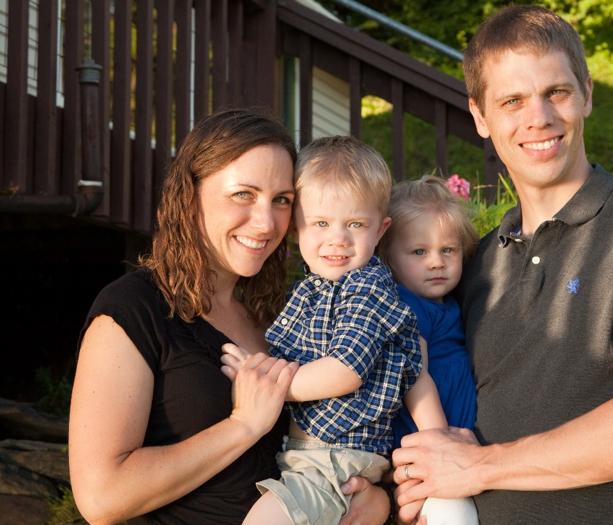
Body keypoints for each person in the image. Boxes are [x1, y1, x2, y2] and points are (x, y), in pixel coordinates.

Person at [392, 5, 613, 524]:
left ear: (586, 93)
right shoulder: (476, 264)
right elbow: (446, 415)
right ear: (480, 116)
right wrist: (424, 481)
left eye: (556, 93)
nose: (538, 118)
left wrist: (479, 467)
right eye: (513, 100)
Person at [68, 109, 389, 525]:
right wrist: (243, 425)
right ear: (191, 193)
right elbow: (101, 498)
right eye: (244, 194)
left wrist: (373, 501)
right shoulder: (134, 310)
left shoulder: (283, 311)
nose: (265, 221)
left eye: (282, 201)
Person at [222, 136, 448, 525]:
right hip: (314, 455)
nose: (338, 239)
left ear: (380, 230)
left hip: (337, 457)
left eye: (356, 224)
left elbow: (345, 369)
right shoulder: (311, 289)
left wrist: (263, 382)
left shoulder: (367, 287)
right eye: (321, 223)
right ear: (296, 229)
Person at [378, 175, 480, 524]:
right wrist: (439, 442)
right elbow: (415, 373)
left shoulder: (445, 302)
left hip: (452, 450)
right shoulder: (410, 305)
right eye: (419, 252)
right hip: (432, 449)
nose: (436, 262)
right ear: (390, 259)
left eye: (447, 250)